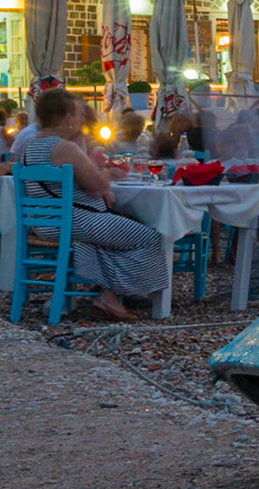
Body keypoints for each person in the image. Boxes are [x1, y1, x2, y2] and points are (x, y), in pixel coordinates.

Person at [14, 88, 169, 323]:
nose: (81, 118)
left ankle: (103, 291)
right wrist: (109, 174)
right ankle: (109, 294)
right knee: (150, 236)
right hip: (76, 221)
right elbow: (95, 185)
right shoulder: (64, 148)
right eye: (77, 113)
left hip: (46, 223)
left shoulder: (30, 146)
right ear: (66, 117)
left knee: (108, 237)